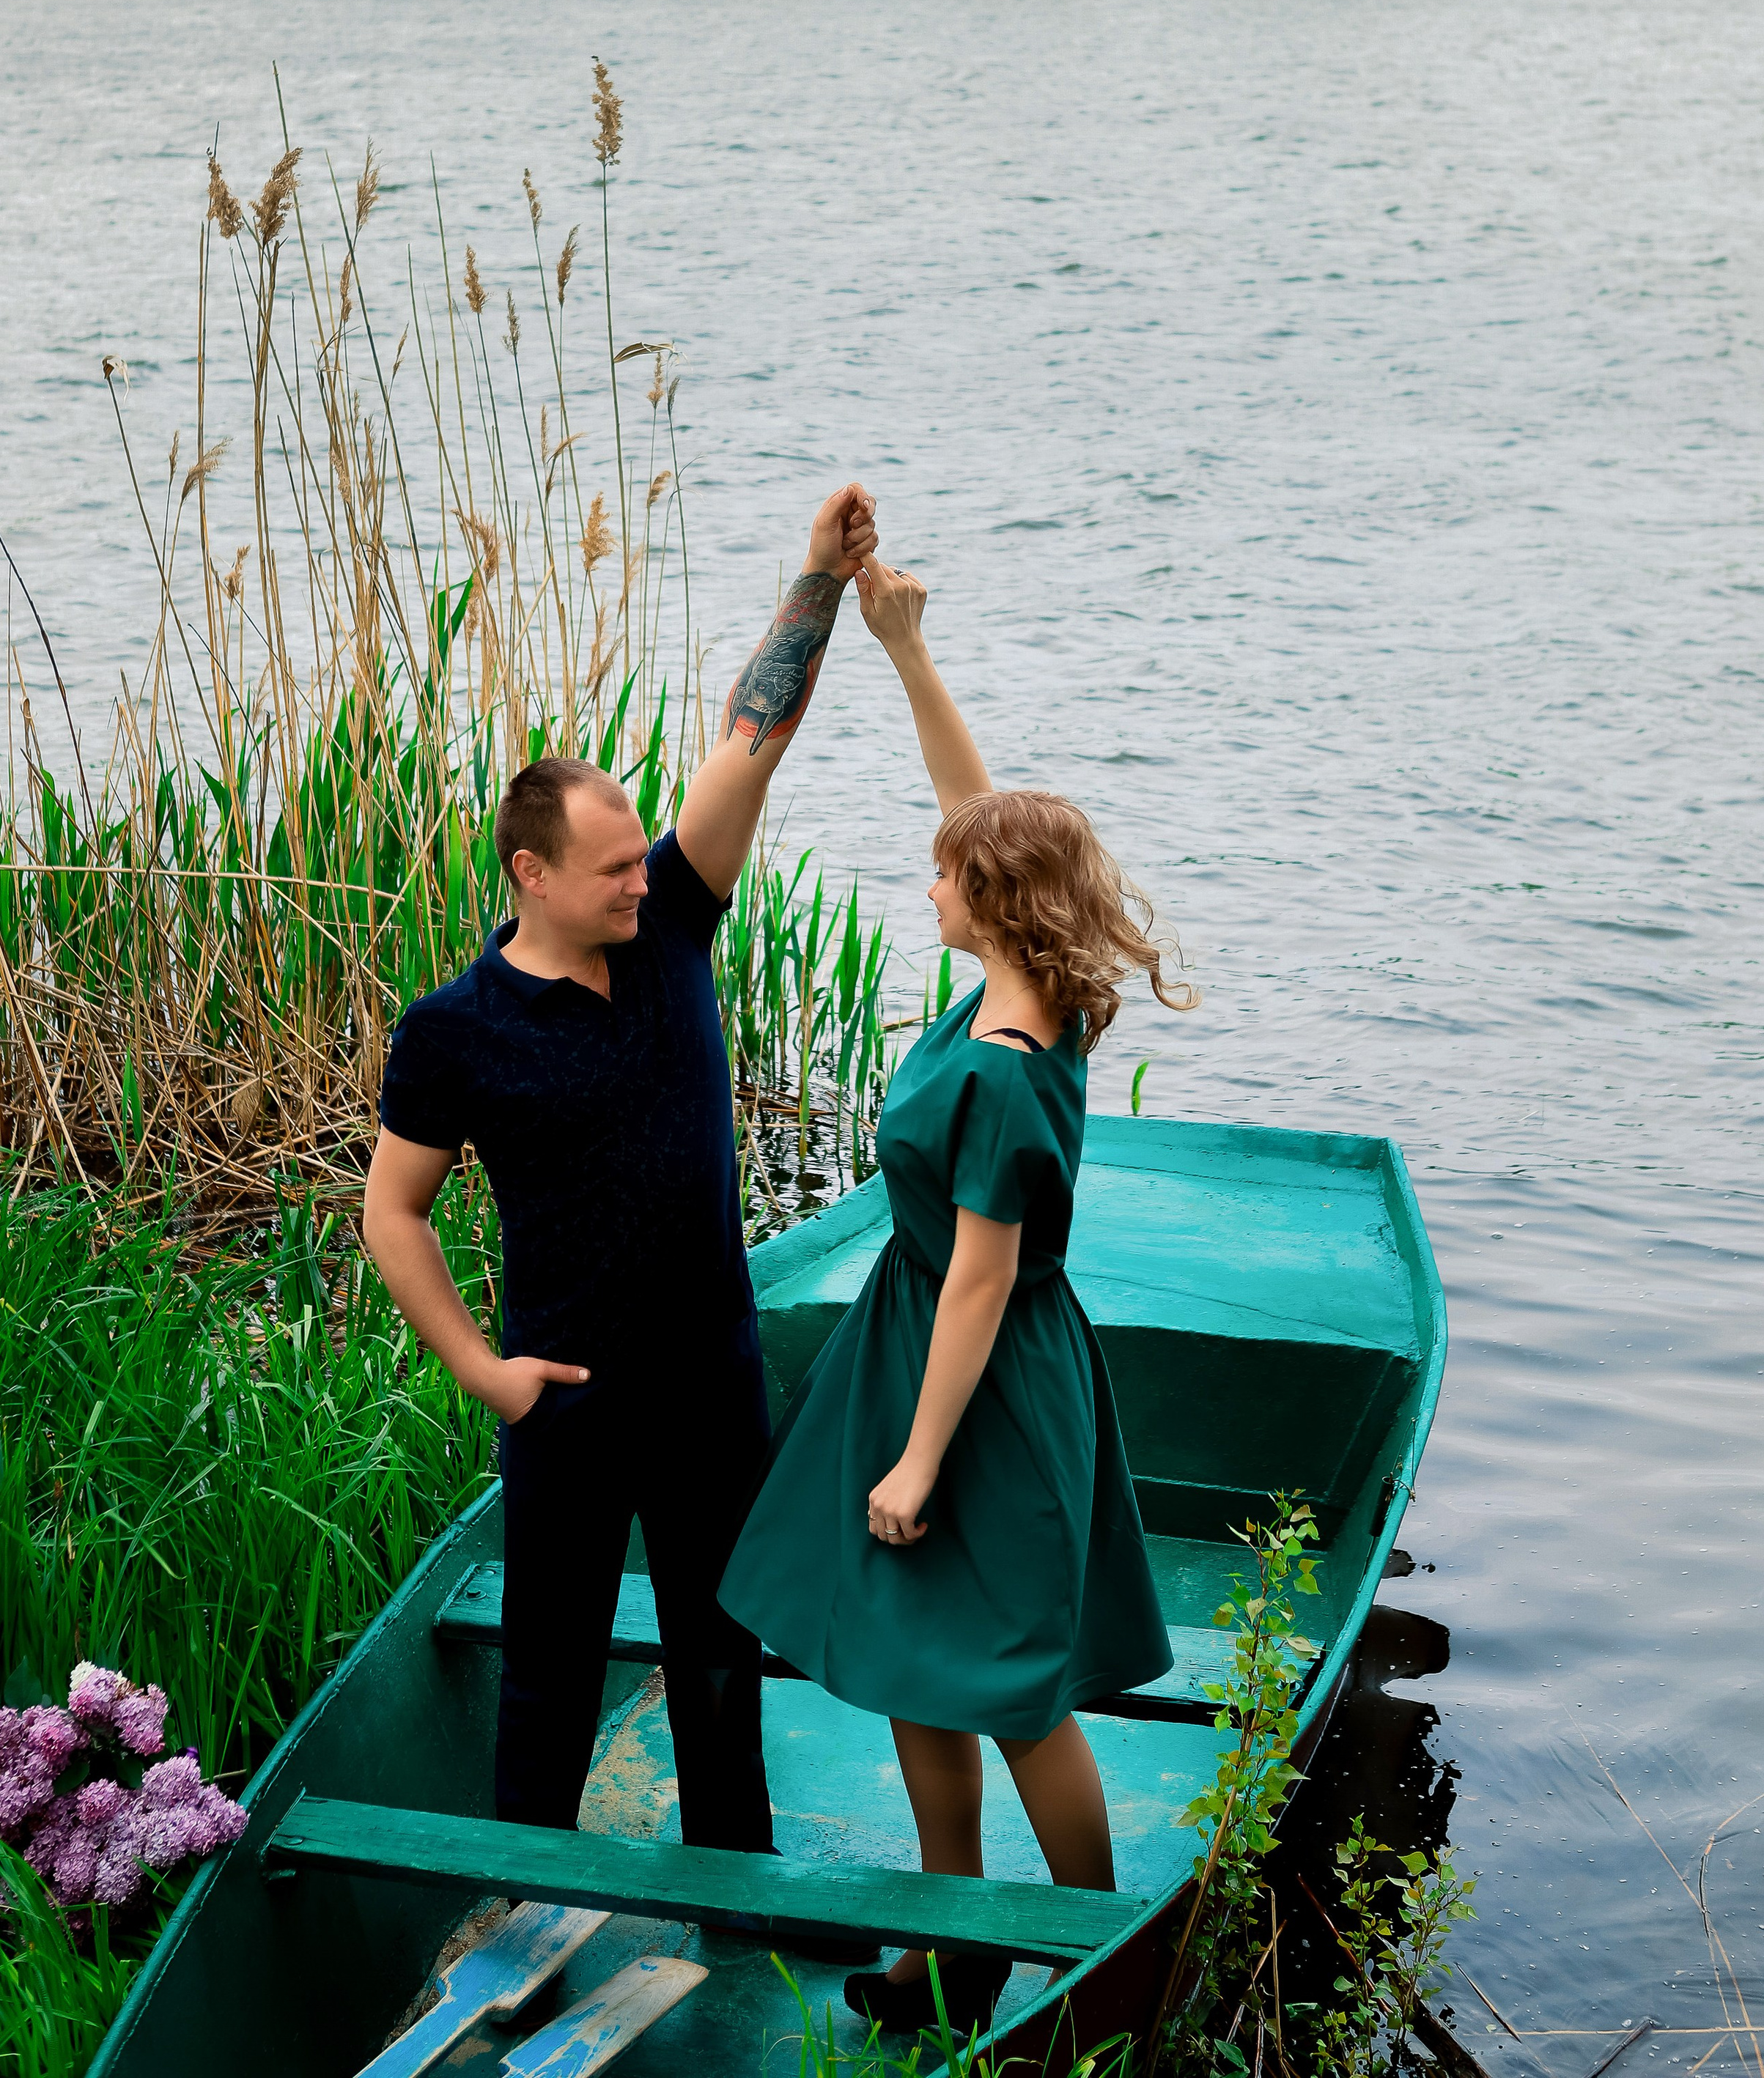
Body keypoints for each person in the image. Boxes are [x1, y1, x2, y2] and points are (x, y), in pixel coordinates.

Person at [720, 553, 1199, 2036]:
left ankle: (1095, 1957)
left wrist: (920, 1458)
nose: (925, 871)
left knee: (1010, 1688)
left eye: (944, 869)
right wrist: (903, 652)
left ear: (986, 902)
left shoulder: (1001, 1061)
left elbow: (983, 1279)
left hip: (971, 1378)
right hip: (918, 1344)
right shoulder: (1021, 990)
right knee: (907, 1663)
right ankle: (950, 1939)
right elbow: (974, 815)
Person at [362, 482, 878, 1851]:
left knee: (722, 1653)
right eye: (608, 872)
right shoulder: (455, 1034)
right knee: (552, 1669)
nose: (640, 883)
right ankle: (528, 1904)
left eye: (641, 861)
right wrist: (483, 1372)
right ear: (529, 874)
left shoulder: (673, 929)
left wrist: (816, 577)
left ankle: (734, 1885)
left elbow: (752, 741)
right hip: (569, 1393)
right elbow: (393, 1212)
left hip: (711, 1375)